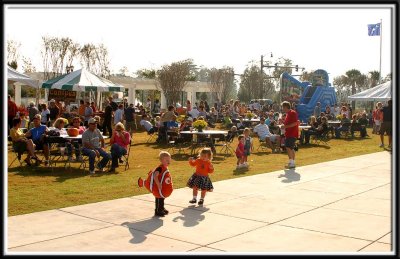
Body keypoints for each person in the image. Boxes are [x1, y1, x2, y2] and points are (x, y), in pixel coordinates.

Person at [138, 151, 173, 217]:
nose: (168, 161)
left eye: (169, 159)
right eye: (166, 160)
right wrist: (158, 184)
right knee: (159, 198)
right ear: (161, 160)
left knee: (161, 197)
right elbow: (155, 175)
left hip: (159, 188)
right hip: (157, 187)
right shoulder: (160, 168)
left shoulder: (165, 167)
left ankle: (161, 208)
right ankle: (158, 211)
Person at [280, 101, 299, 169]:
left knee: (288, 147)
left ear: (285, 107)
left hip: (292, 133)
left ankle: (291, 162)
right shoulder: (288, 113)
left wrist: (285, 127)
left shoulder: (292, 113)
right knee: (291, 148)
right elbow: (288, 123)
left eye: (283, 107)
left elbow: (295, 123)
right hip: (289, 133)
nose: (282, 109)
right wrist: (283, 123)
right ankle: (292, 162)